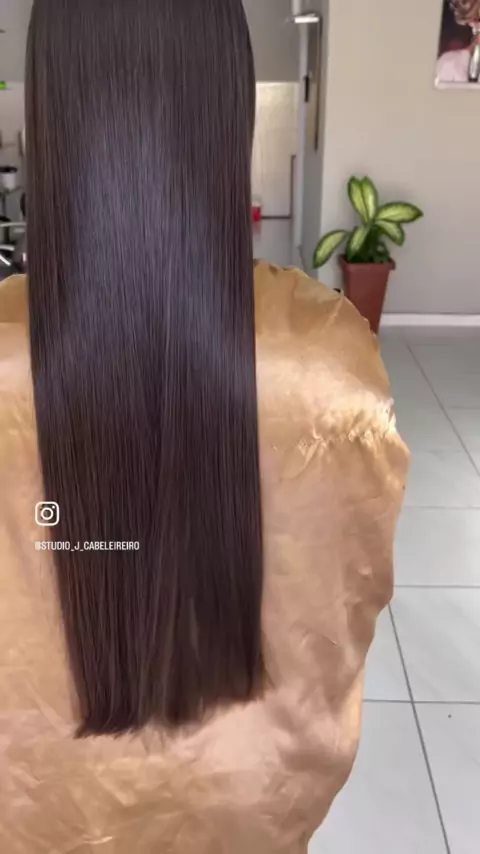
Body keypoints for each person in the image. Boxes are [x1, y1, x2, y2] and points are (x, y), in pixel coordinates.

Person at [0, 1, 408, 852]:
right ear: (226, 111)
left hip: (35, 801)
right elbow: (346, 596)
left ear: (51, 112)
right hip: (248, 796)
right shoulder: (323, 361)